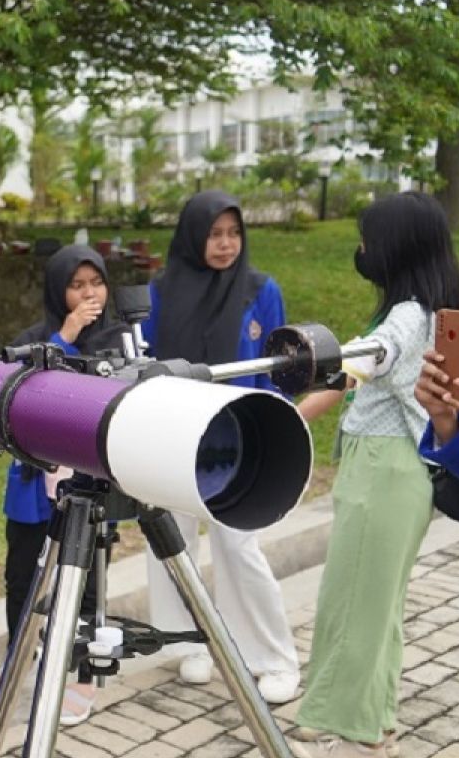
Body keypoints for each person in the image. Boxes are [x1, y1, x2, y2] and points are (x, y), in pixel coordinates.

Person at [291, 192, 459, 758]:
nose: (360, 249)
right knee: (372, 602)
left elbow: (366, 362)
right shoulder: (422, 308)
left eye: (368, 238)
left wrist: (292, 410)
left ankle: (359, 729)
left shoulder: (410, 315)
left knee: (359, 602)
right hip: (391, 467)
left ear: (395, 247)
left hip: (386, 470)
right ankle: (365, 718)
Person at [140, 190, 300, 704]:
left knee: (238, 545)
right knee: (172, 539)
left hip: (238, 437)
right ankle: (191, 642)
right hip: (173, 431)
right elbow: (144, 359)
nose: (226, 244)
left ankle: (270, 656)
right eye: (215, 233)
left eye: (234, 233)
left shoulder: (260, 289)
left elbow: (277, 364)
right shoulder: (162, 290)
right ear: (193, 236)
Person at [0, 244, 128, 721]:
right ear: (58, 290)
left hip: (90, 482)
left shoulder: (120, 339)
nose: (89, 294)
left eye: (96, 283)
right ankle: (18, 658)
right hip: (34, 482)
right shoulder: (36, 338)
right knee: (21, 575)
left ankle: (83, 675)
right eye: (77, 285)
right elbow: (20, 398)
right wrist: (64, 338)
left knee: (86, 579)